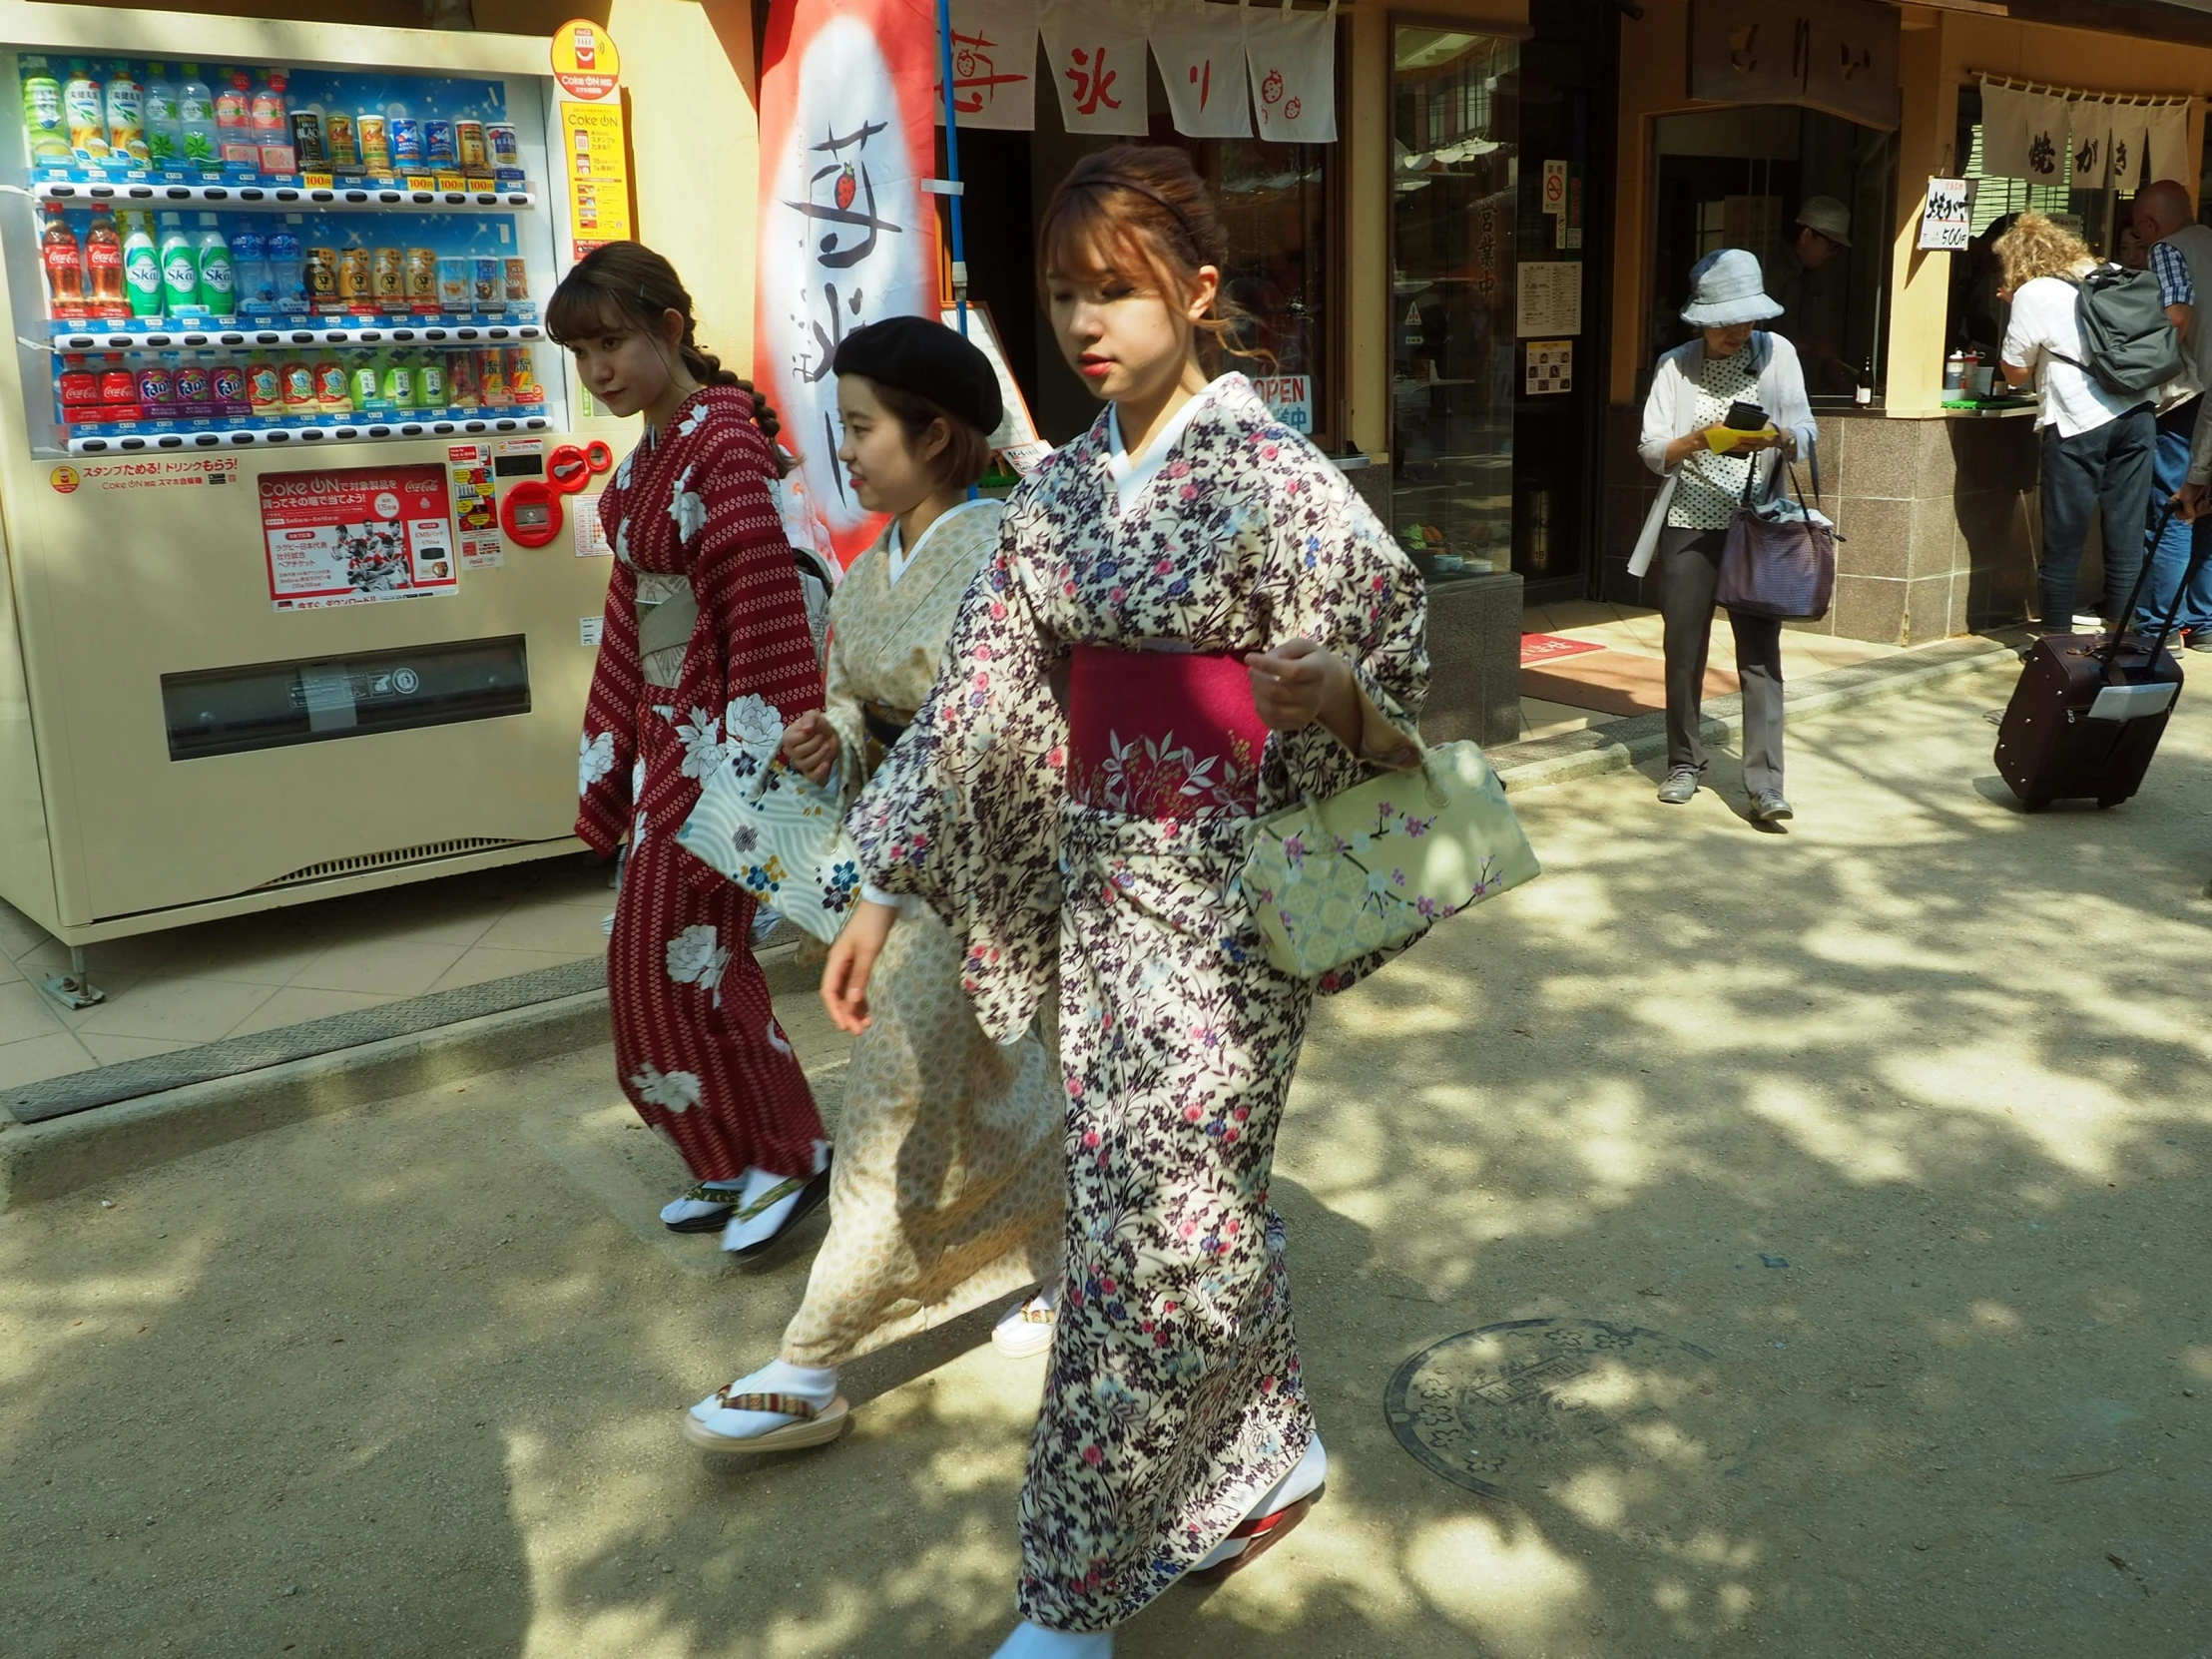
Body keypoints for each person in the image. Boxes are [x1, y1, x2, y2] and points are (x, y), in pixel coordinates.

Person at [823, 145, 1428, 1657]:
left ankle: (1070, 1593)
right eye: (1065, 295)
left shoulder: (1287, 482)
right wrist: (887, 879)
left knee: (1163, 1235)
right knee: (1155, 1211)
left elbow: (1397, 679)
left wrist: (1344, 696)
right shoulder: (1061, 494)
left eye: (1119, 289)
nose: (1086, 322)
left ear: (1199, 294)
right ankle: (1265, 1448)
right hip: (1102, 903)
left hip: (1235, 917)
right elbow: (980, 705)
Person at [680, 316, 1066, 1456]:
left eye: (860, 427)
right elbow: (858, 697)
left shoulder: (1003, 548)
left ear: (935, 433)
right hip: (885, 853)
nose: (842, 449)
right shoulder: (869, 564)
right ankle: (1075, 1242)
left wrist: (893, 830)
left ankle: (810, 1357)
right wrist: (831, 731)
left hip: (978, 862)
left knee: (892, 1095)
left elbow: (989, 728)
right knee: (988, 1077)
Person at [549, 241, 832, 1258]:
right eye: (581, 353)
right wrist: (612, 752)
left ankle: (787, 1155)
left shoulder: (722, 445)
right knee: (668, 963)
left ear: (670, 328)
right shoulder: (651, 461)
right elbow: (631, 623)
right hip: (676, 742)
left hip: (723, 747)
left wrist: (749, 761)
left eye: (613, 342)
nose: (598, 371)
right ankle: (729, 1158)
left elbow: (760, 607)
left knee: (691, 958)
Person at [1633, 249, 1817, 824]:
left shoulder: (1777, 354)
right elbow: (1651, 449)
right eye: (1724, 322)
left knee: (1760, 656)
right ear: (1701, 320)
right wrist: (1702, 440)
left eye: (1745, 320)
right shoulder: (1675, 365)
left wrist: (1780, 437)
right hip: (1688, 524)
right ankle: (1684, 761)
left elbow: (1807, 431)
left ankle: (1765, 783)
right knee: (1682, 649)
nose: (1737, 331)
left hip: (1755, 526)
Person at [1996, 213, 2158, 634]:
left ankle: (2055, 639)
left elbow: (2015, 371)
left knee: (2065, 534)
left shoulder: (2034, 293)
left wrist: (2016, 308)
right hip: (2138, 412)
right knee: (2126, 531)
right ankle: (2123, 635)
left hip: (2078, 420)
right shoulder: (2113, 273)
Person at [2128, 180, 2212, 649]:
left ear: (2148, 224)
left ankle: (2158, 627)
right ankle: (2203, 622)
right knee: (2206, 507)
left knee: (2174, 505)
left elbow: (2177, 315)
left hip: (2191, 396)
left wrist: (2144, 371)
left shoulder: (2167, 249)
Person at [1763, 196, 1856, 395]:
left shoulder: (1812, 275)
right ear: (1807, 235)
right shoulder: (1773, 272)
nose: (1833, 254)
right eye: (1832, 246)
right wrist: (1813, 347)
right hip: (1769, 383)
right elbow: (1758, 333)